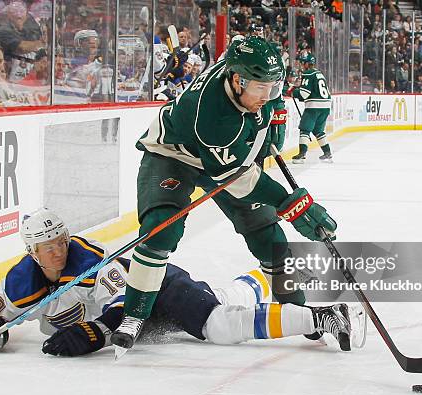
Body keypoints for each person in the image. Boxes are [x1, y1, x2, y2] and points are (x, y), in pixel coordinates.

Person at [110, 36, 338, 352]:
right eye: (261, 88)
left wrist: (275, 110)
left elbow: (262, 86)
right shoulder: (213, 114)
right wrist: (290, 203)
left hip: (229, 158)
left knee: (267, 236)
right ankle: (133, 315)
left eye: (273, 86)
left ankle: (297, 312)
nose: (268, 94)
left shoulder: (251, 79)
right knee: (161, 229)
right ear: (236, 80)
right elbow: (235, 178)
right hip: (173, 155)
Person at [0, 209, 363, 356]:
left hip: (159, 289)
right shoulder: (22, 280)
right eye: (46, 247)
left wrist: (96, 334)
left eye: (60, 242)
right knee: (227, 296)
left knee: (221, 327)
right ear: (32, 252)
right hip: (152, 320)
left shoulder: (93, 262)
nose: (57, 251)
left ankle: (324, 318)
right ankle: (268, 274)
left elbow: (128, 308)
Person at [287, 54, 333, 163]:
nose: (302, 65)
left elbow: (304, 94)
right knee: (318, 130)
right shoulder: (319, 73)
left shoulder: (308, 73)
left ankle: (302, 154)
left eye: (303, 63)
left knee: (305, 129)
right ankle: (327, 153)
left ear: (307, 64)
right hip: (326, 106)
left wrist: (292, 92)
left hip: (314, 107)